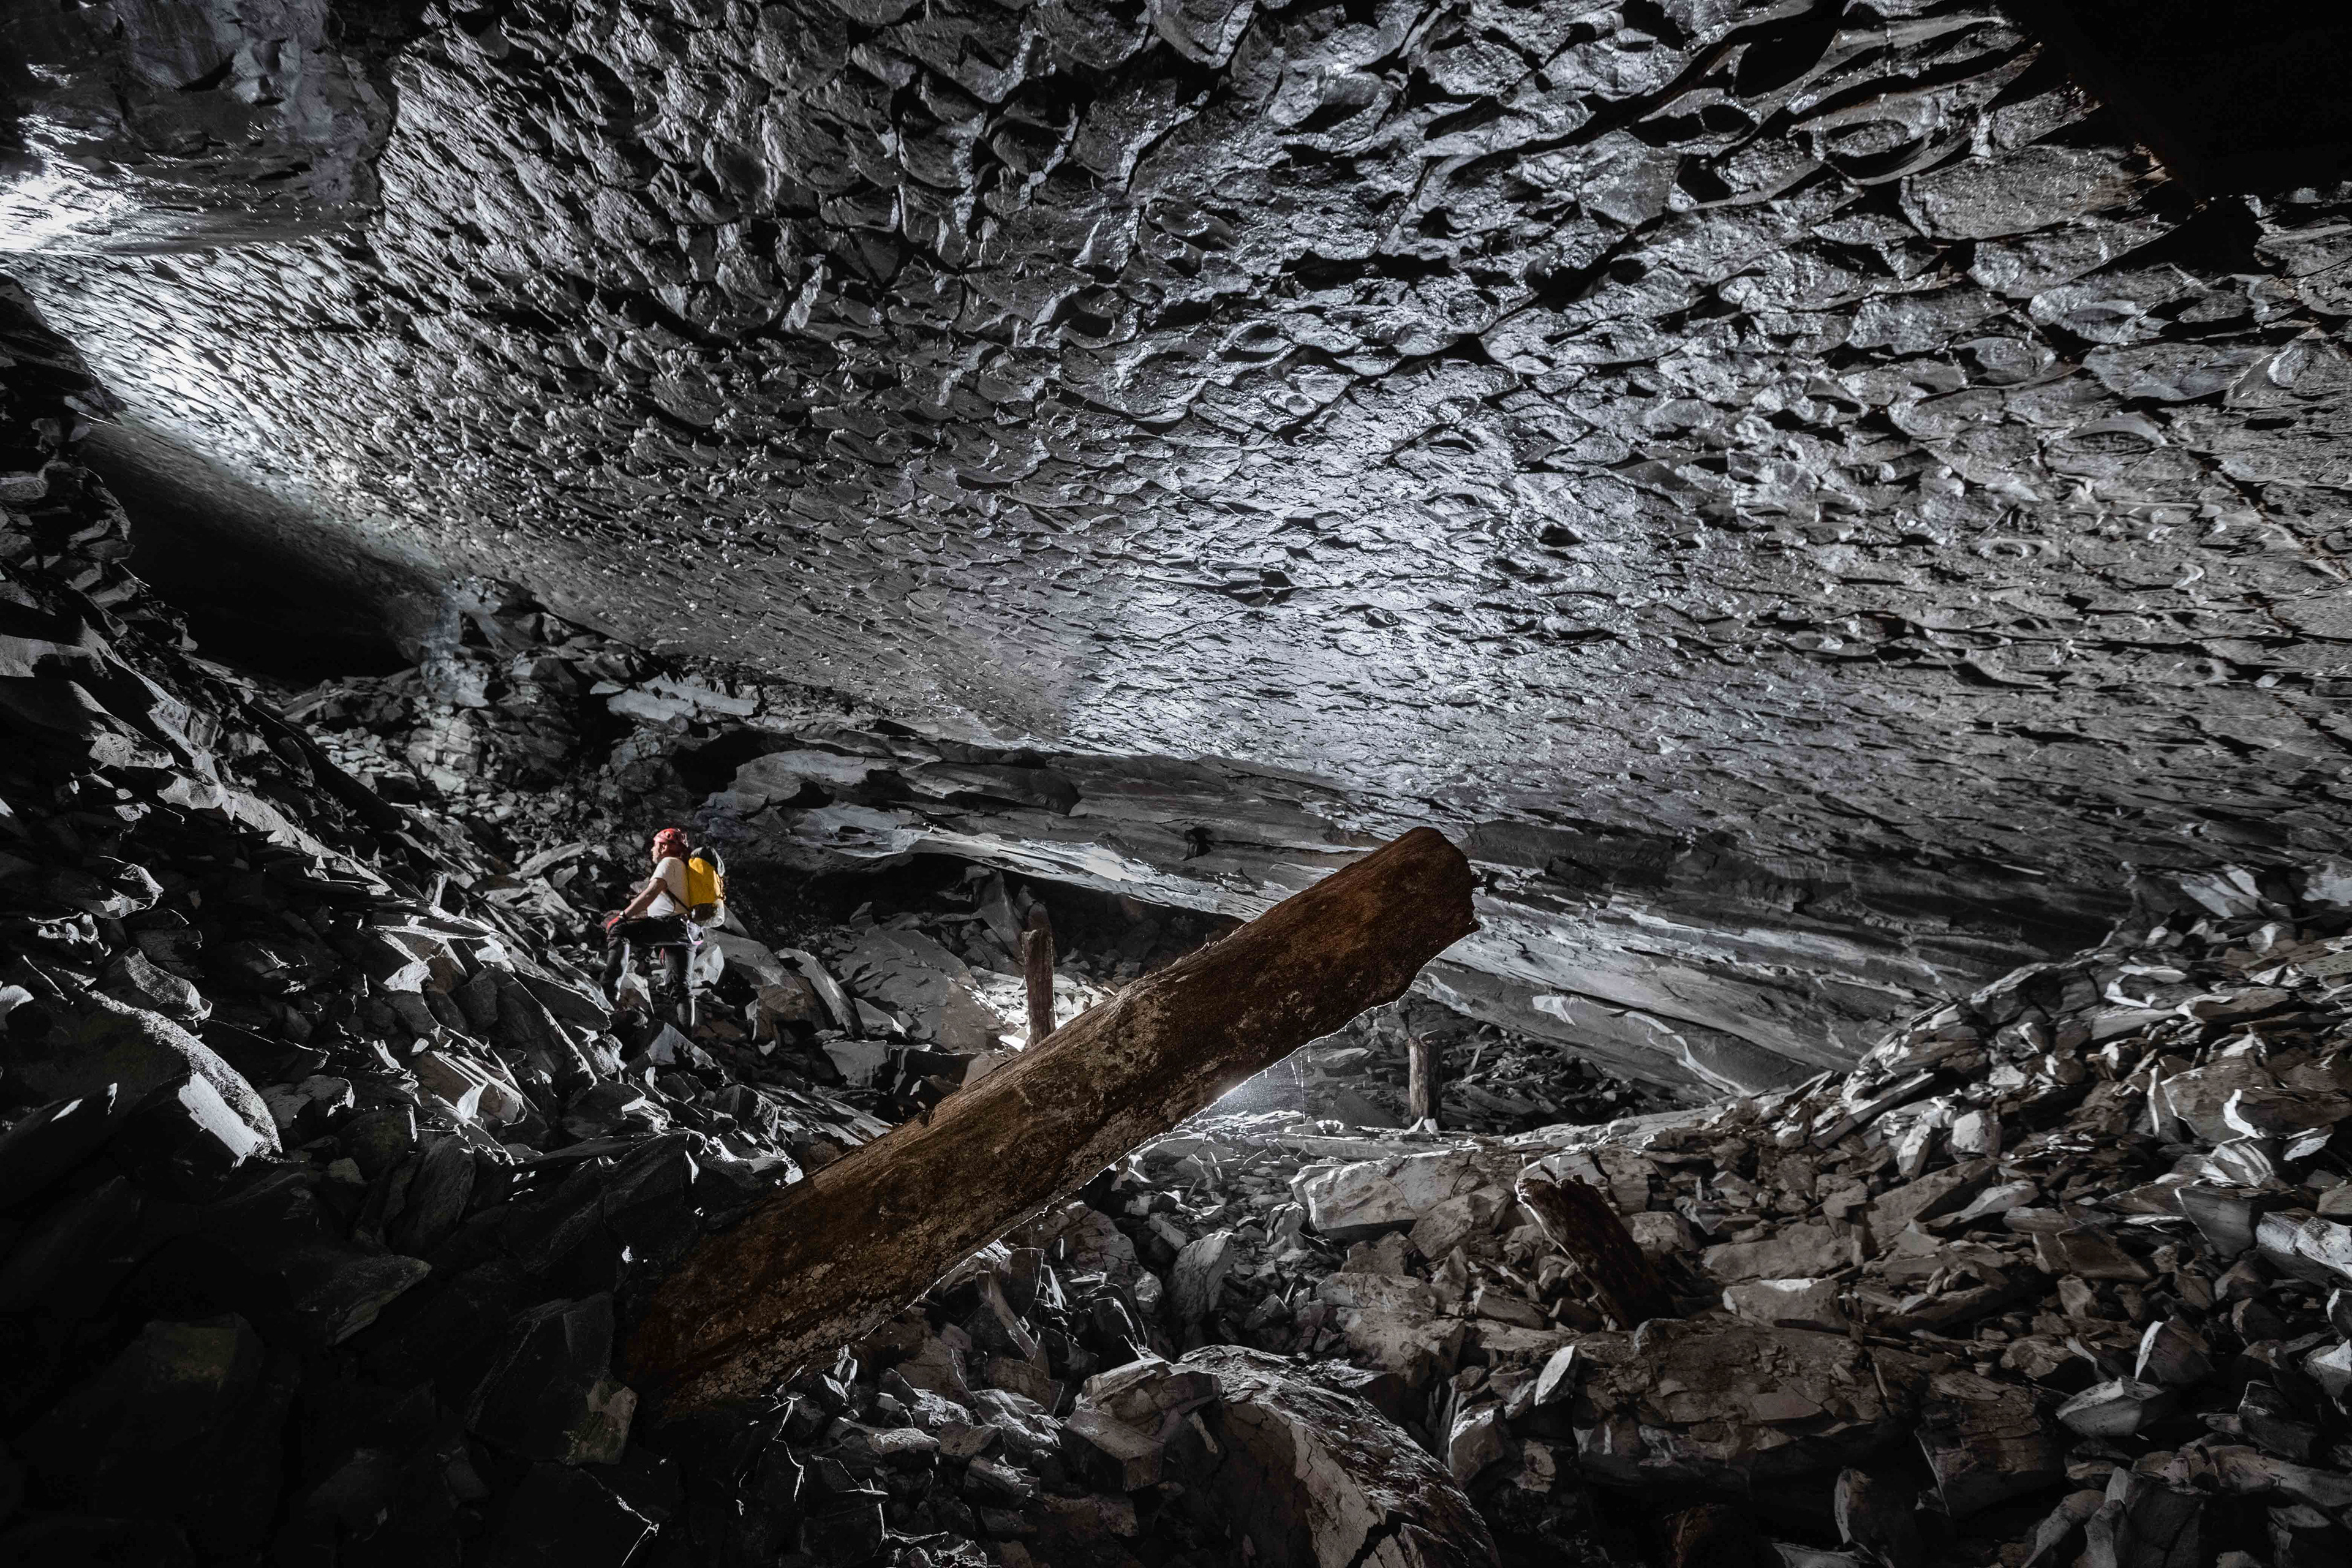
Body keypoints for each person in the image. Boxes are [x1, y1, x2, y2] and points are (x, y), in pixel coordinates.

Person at [601, 827, 699, 997]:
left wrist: (622, 917)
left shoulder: (669, 863)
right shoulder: (686, 869)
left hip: (674, 926)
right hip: (690, 932)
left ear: (664, 847)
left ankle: (608, 994)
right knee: (681, 988)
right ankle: (686, 1024)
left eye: (655, 845)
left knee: (619, 930)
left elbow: (651, 893)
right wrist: (666, 940)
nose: (653, 850)